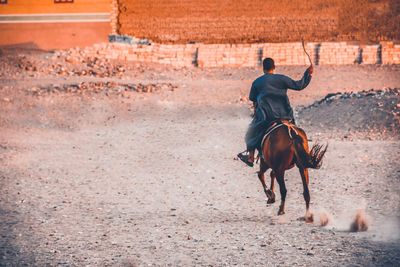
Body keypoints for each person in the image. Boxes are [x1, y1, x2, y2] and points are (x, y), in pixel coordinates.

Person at [238, 58, 313, 167]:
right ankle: (305, 153)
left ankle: (250, 158)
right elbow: (299, 85)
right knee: (296, 133)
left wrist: (256, 114)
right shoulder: (282, 79)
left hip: (266, 116)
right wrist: (308, 74)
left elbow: (254, 101)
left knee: (250, 132)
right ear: (274, 67)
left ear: (263, 68)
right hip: (286, 115)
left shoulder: (257, 82)